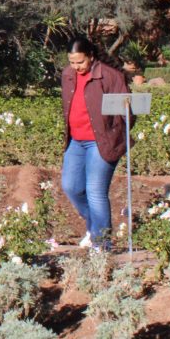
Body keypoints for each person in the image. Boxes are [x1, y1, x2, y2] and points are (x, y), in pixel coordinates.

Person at [59, 37, 130, 249]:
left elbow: (128, 113)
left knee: (95, 190)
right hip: (76, 141)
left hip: (101, 143)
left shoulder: (110, 76)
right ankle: (95, 227)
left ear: (91, 57)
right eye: (72, 62)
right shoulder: (67, 75)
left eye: (80, 62)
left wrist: (113, 135)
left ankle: (101, 244)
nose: (76, 67)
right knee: (71, 186)